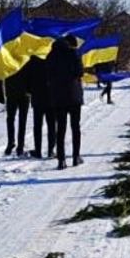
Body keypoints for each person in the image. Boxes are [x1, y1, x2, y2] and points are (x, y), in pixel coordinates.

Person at [45, 35, 84, 169]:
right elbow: (80, 72)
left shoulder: (51, 56)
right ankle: (76, 157)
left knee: (60, 129)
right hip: (74, 96)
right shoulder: (73, 54)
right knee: (75, 127)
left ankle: (61, 160)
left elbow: (48, 76)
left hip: (58, 97)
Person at [24, 52, 54, 159]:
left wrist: (30, 90)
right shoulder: (52, 57)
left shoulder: (32, 60)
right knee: (51, 125)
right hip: (51, 97)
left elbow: (27, 78)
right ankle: (51, 150)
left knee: (37, 126)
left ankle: (38, 150)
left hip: (37, 97)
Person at [1, 66, 30, 156]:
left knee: (11, 119)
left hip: (12, 91)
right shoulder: (25, 56)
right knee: (21, 120)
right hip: (23, 92)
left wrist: (0, 93)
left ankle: (12, 143)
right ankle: (19, 145)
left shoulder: (6, 58)